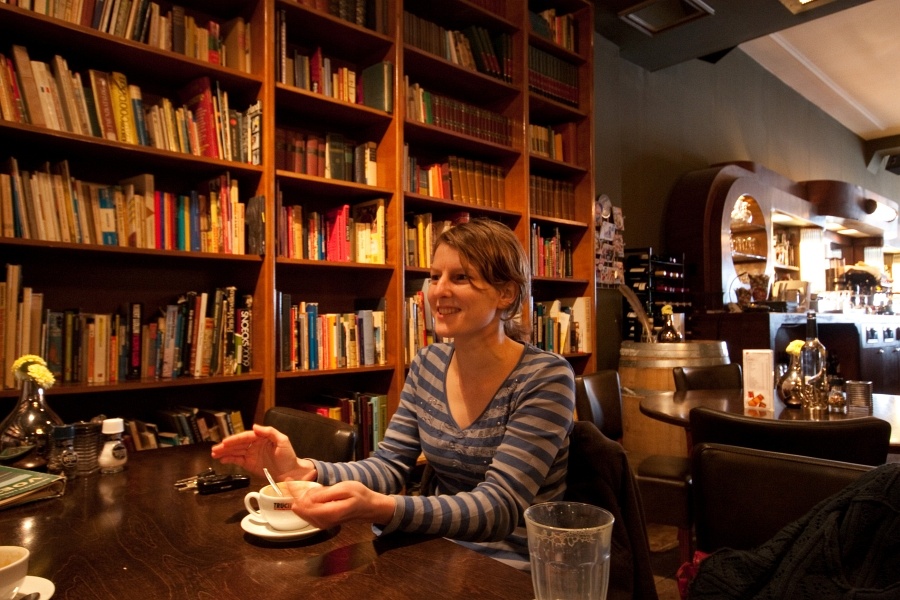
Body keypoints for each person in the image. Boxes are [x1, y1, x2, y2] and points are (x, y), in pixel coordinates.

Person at [211, 218, 576, 570]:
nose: (438, 291)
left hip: (513, 562)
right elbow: (388, 465)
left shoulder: (544, 377)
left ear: (506, 293)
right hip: (437, 548)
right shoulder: (429, 363)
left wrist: (382, 508)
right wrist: (305, 470)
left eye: (460, 277)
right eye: (435, 276)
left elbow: (501, 507)